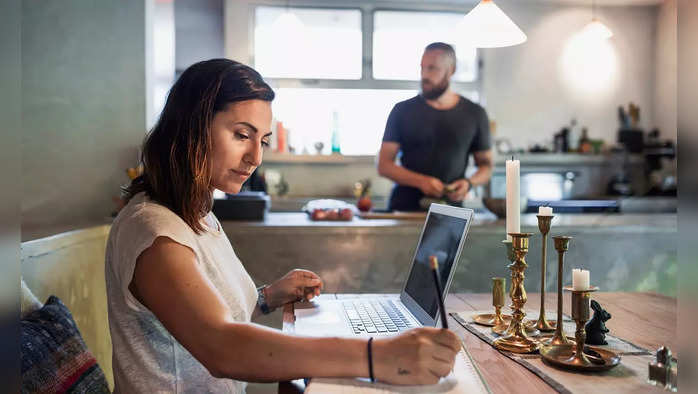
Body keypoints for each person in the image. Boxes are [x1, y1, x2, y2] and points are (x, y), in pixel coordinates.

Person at [105, 59, 461, 393]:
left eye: (262, 141)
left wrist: (268, 296)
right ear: (191, 127)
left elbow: (201, 311)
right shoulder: (154, 232)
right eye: (241, 135)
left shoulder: (197, 214)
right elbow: (222, 346)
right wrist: (379, 356)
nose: (255, 158)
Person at [378, 42, 494, 211]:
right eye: (422, 68)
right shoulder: (402, 110)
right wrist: (421, 181)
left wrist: (469, 183)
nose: (424, 75)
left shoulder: (475, 113)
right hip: (404, 210)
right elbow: (384, 165)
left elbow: (486, 166)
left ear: (451, 70)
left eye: (432, 68)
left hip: (452, 213)